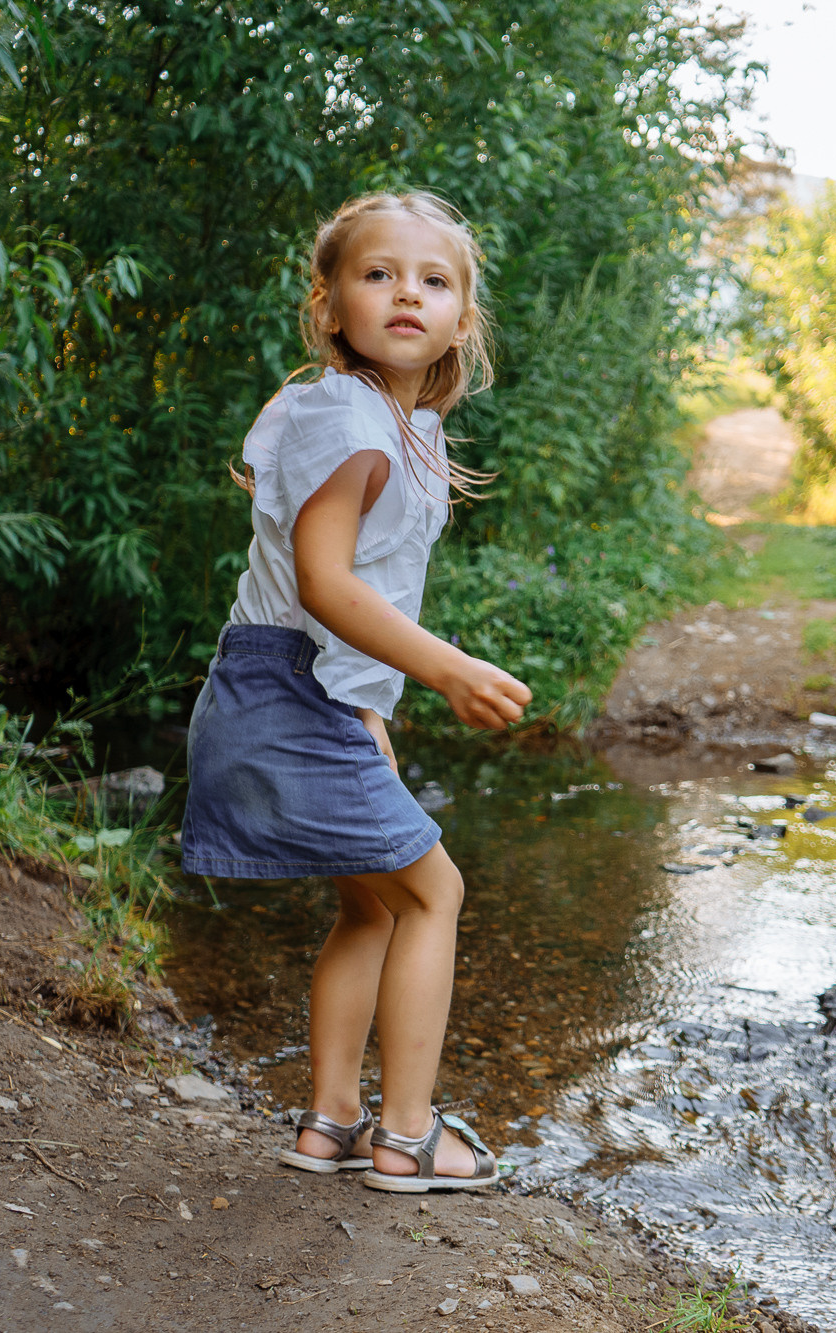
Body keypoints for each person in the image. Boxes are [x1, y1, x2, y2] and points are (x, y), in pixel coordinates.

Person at [181, 192, 529, 1193]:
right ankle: (408, 1137)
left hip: (311, 699)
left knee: (372, 910)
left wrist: (372, 714)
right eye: (377, 274)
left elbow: (343, 596)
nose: (405, 293)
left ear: (463, 318)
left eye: (433, 279)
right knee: (436, 892)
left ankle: (330, 1120)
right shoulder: (345, 414)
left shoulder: (395, 424)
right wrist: (447, 667)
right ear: (331, 305)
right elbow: (325, 584)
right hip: (285, 693)